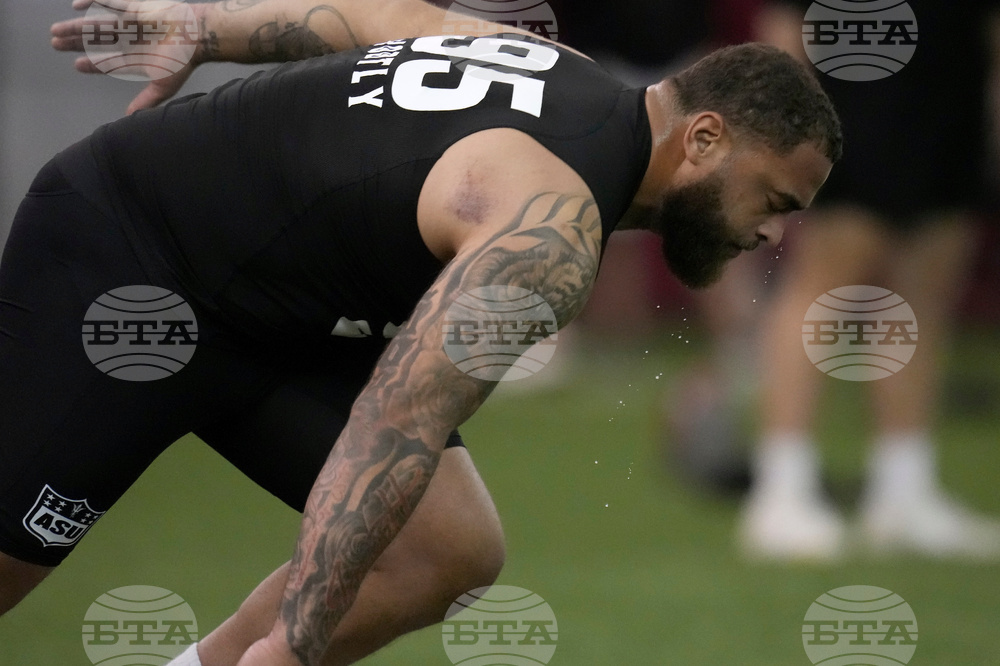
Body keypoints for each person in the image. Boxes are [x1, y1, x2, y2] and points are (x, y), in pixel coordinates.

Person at [1, 0, 839, 664]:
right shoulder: (547, 231)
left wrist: (204, 28)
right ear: (703, 138)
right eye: (772, 203)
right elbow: (393, 424)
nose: (771, 237)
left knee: (445, 547)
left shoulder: (569, 78)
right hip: (131, 261)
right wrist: (297, 644)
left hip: (274, 311)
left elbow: (387, 18)